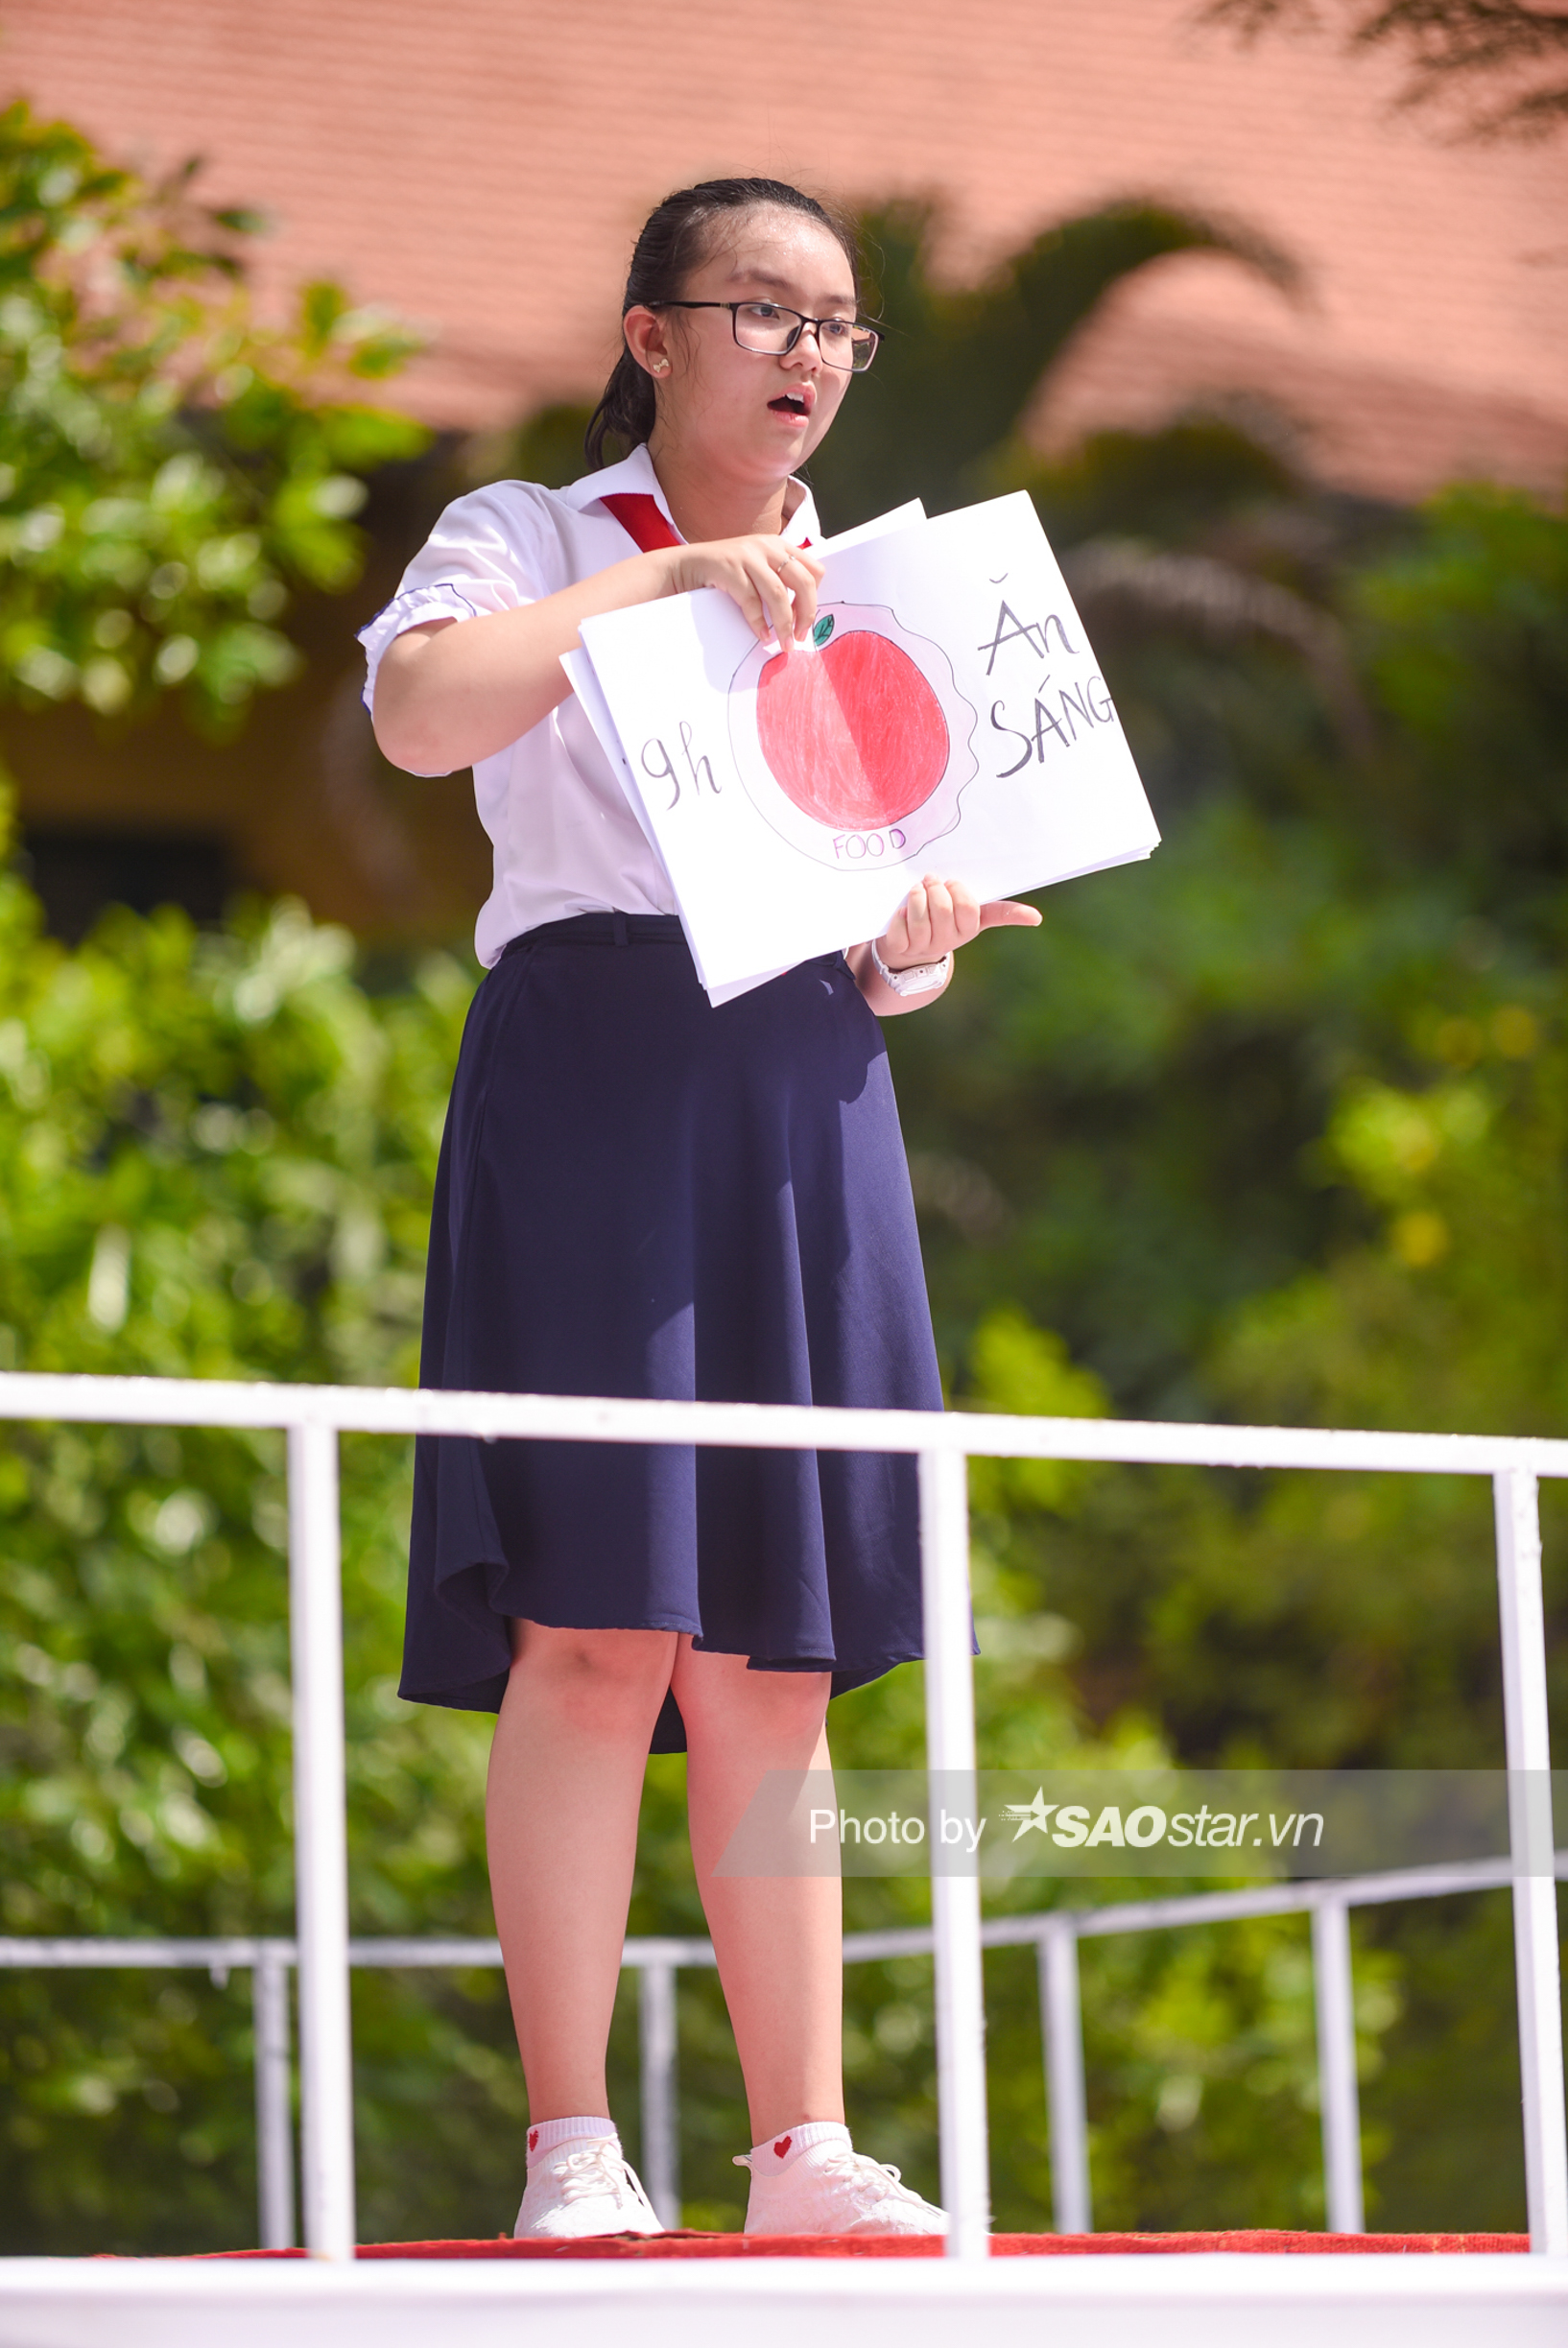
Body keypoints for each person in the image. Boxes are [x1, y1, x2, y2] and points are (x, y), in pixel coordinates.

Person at [363, 176, 1040, 2241]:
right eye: (763, 310)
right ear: (652, 334)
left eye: (835, 325)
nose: (805, 354)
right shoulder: (535, 532)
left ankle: (800, 2150)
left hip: (802, 1085)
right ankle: (571, 2144)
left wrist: (914, 948)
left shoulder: (882, 588)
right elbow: (417, 717)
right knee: (593, 1626)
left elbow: (873, 882)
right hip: (593, 1067)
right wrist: (673, 583)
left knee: (774, 1648)